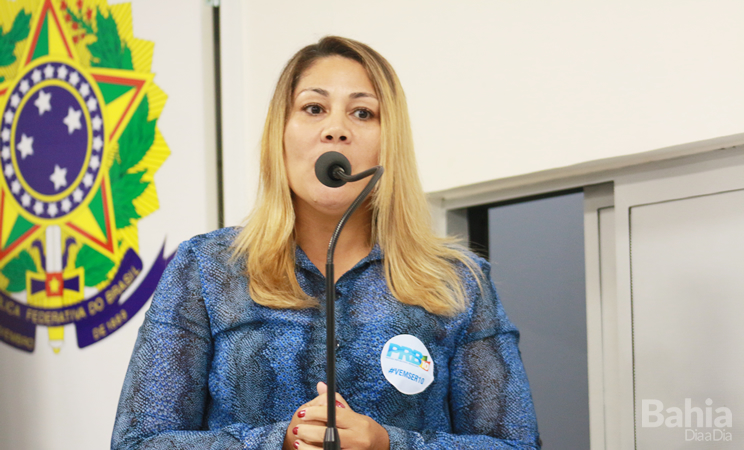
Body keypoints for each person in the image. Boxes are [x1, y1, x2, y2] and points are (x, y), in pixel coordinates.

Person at [112, 36, 541, 450]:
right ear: (280, 134)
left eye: (363, 113)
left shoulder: (458, 282)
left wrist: (390, 443)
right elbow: (138, 442)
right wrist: (276, 440)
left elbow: (516, 444)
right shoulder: (207, 268)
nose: (336, 129)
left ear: (389, 143)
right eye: (314, 108)